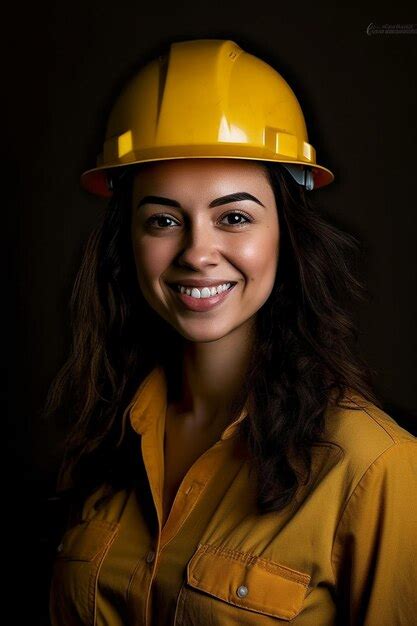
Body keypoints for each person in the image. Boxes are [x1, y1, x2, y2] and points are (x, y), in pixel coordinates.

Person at [45, 39, 417, 626]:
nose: (197, 252)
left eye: (234, 217)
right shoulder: (102, 435)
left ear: (285, 237)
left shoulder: (376, 467)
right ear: (127, 243)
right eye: (164, 220)